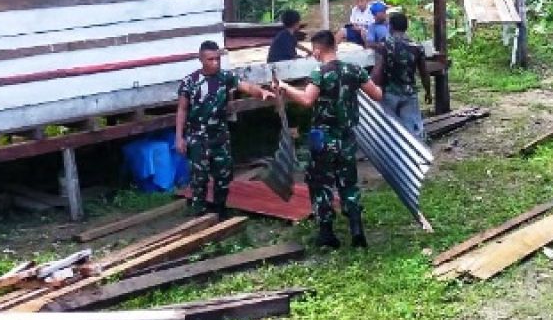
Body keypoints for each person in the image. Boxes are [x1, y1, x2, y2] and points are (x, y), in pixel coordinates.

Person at [274, 30, 383, 248]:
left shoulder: (319, 73)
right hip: (347, 137)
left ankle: (327, 235)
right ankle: (356, 229)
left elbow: (307, 100)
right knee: (348, 182)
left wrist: (285, 88)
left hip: (322, 138)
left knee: (320, 183)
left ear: (317, 49)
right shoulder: (355, 70)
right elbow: (377, 95)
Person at [175, 41, 274, 219]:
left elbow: (246, 86)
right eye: (210, 59)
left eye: (217, 59)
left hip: (219, 135)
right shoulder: (189, 82)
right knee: (199, 178)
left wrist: (261, 92)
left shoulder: (225, 77)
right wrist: (179, 137)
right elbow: (182, 109)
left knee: (224, 175)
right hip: (198, 137)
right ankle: (199, 213)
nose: (215, 63)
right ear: (201, 59)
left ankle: (220, 210)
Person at [372, 12, 431, 140]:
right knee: (414, 131)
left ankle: (392, 158)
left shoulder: (385, 45)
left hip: (389, 93)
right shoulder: (417, 47)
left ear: (391, 26)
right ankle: (418, 157)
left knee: (389, 131)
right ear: (406, 27)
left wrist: (372, 90)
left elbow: (378, 71)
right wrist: (428, 92)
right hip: (409, 94)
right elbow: (424, 73)